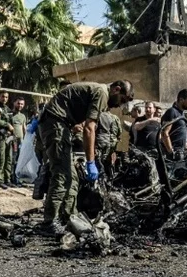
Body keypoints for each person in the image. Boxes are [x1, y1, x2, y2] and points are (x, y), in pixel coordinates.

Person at [38, 80, 133, 233]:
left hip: (60, 124)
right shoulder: (102, 93)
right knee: (62, 175)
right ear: (116, 90)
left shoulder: (99, 91)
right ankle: (49, 223)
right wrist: (91, 162)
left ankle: (69, 218)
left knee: (72, 177)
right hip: (55, 124)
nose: (119, 105)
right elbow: (89, 129)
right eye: (122, 100)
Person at [161, 89, 187, 159]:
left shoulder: (182, 114)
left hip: (181, 152)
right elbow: (164, 133)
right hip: (173, 155)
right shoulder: (172, 112)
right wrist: (171, 151)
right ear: (181, 99)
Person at [9, 97, 28, 187]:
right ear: (14, 103)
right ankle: (11, 179)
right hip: (12, 141)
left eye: (22, 104)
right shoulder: (10, 114)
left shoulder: (23, 116)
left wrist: (25, 141)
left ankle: (18, 180)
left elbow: (24, 128)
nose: (20, 105)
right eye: (18, 103)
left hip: (21, 141)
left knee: (20, 161)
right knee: (12, 160)